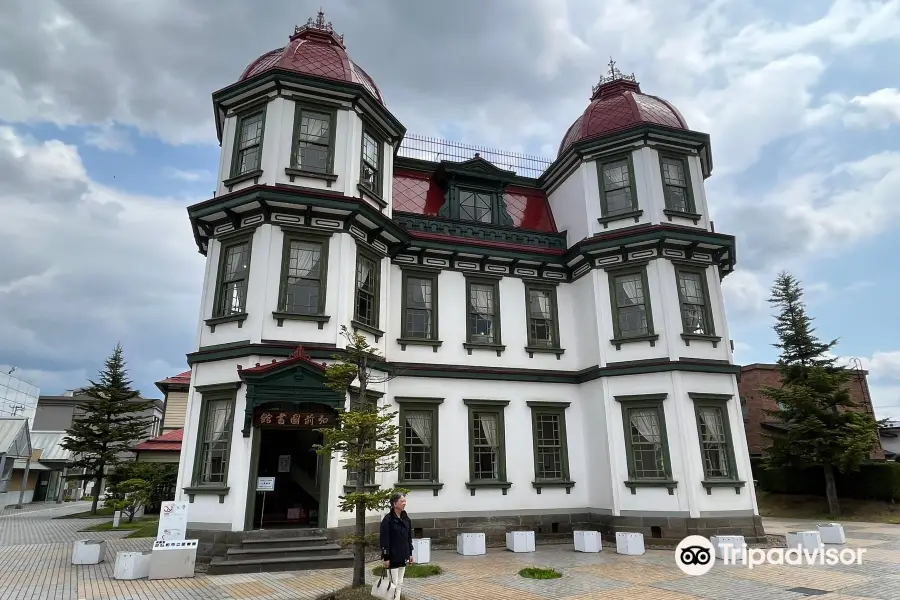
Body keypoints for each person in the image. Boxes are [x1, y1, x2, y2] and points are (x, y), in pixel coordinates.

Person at [379, 492, 413, 587]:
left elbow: (409, 538)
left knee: (400, 583)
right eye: (402, 501)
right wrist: (386, 558)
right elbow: (384, 540)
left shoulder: (406, 519)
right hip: (392, 557)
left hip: (403, 555)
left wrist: (410, 553)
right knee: (393, 584)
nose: (404, 503)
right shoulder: (387, 520)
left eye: (405, 501)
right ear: (394, 504)